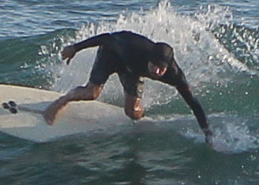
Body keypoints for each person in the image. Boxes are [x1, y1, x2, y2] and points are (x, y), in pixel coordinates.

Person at [45, 30, 213, 145]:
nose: (156, 72)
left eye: (161, 69)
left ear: (168, 67)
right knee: (92, 93)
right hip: (110, 55)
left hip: (132, 70)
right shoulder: (132, 49)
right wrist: (75, 48)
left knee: (132, 112)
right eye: (154, 65)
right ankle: (61, 101)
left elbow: (193, 103)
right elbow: (105, 38)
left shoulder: (175, 75)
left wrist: (207, 133)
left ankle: (142, 119)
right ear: (149, 59)